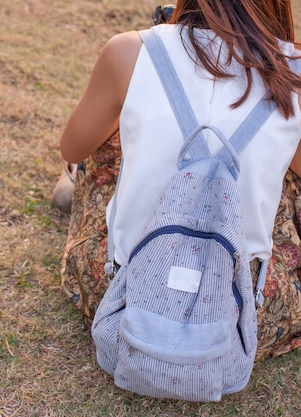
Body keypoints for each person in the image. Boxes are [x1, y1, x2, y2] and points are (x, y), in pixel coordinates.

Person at [58, 0, 301, 361]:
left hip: (122, 300)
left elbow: (73, 147)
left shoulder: (130, 50)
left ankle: (71, 187)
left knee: (110, 136)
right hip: (240, 319)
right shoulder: (293, 70)